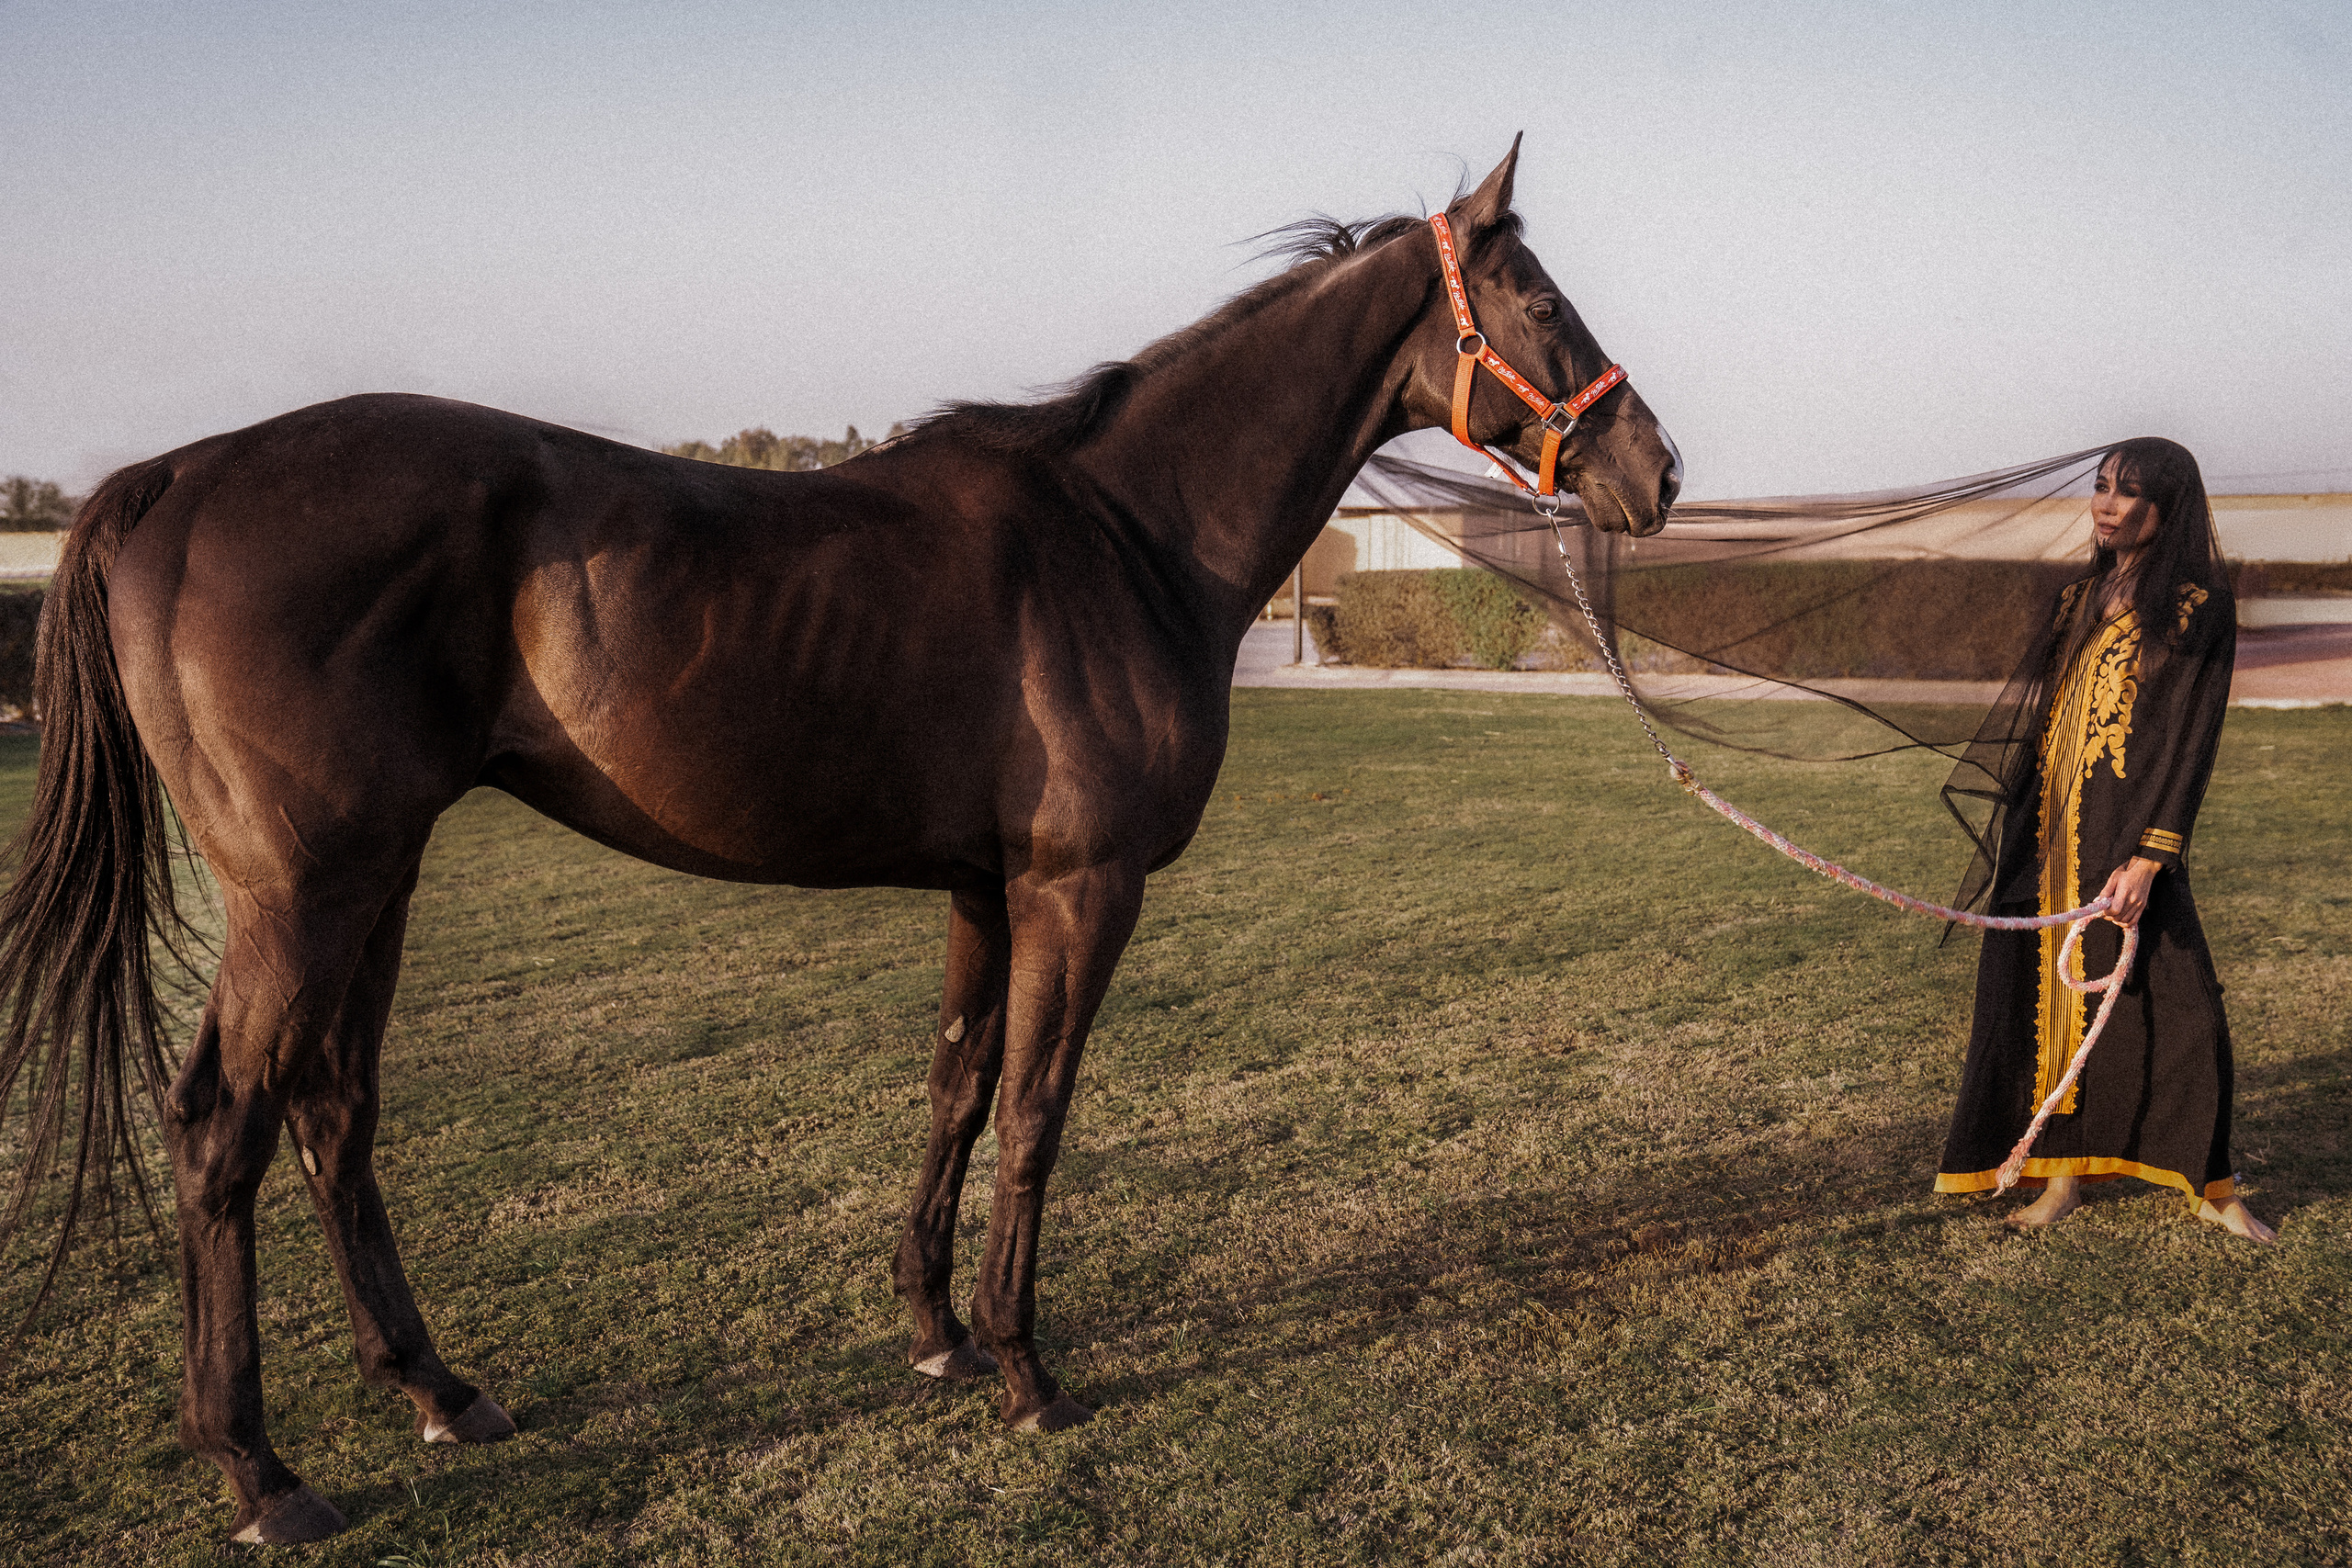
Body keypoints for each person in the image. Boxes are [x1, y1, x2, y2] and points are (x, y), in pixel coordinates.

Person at [1934, 437, 2273, 1242]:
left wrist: (2154, 853)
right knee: (2040, 1003)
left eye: (2128, 492)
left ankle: (2212, 1182)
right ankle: (2060, 1179)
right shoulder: (2076, 599)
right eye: (2101, 487)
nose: (2107, 504)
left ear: (2168, 507)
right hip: (2046, 833)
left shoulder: (2196, 608)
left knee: (2183, 1004)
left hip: (2128, 836)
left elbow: (2190, 739)